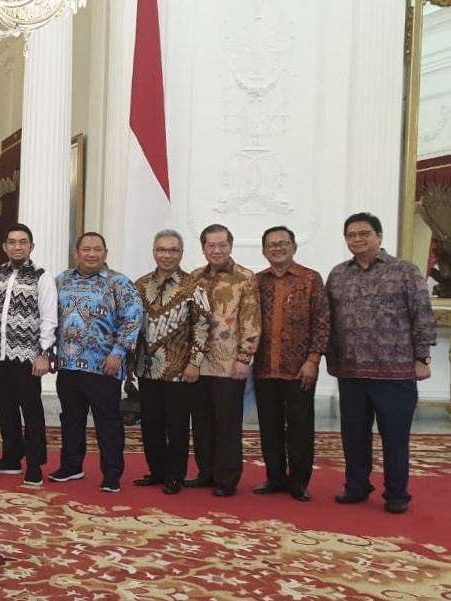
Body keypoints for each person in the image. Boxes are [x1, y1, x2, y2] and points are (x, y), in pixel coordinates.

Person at [326, 212, 435, 514]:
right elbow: (329, 320)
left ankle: (397, 493)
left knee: (395, 438)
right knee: (354, 436)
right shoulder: (337, 274)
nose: (357, 240)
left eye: (364, 233)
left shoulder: (405, 271)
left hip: (396, 372)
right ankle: (357, 486)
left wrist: (422, 358)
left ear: (379, 236)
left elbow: (423, 315)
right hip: (351, 372)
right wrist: (330, 358)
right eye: (351, 235)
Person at [50, 232, 143, 493]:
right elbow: (49, 317)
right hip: (68, 365)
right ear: (76, 252)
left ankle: (112, 474)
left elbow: (133, 319)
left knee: (108, 421)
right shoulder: (61, 281)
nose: (92, 254)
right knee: (71, 418)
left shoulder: (119, 283)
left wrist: (118, 354)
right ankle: (71, 466)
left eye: (97, 249)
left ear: (106, 253)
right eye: (86, 249)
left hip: (104, 366)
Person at [251, 225, 329, 503]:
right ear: (263, 250)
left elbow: (322, 321)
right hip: (264, 367)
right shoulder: (256, 282)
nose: (278, 248)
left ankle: (298, 482)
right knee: (268, 426)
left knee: (299, 426)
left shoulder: (311, 279)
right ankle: (274, 477)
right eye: (271, 244)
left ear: (294, 247)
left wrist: (313, 359)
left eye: (283, 243)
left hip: (300, 369)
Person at [132, 229, 211, 495]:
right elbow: (132, 325)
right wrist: (131, 361)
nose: (167, 255)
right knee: (150, 425)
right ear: (154, 251)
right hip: (146, 368)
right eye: (162, 250)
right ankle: (156, 471)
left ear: (181, 253)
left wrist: (195, 363)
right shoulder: (140, 285)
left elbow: (202, 326)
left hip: (179, 370)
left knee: (177, 426)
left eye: (173, 250)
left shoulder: (194, 286)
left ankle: (175, 475)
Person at [186, 224, 261, 497]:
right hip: (198, 362)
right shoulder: (194, 278)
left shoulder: (245, 278)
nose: (216, 250)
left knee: (227, 423)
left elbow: (251, 321)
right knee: (202, 421)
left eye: (222, 245)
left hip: (230, 363)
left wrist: (244, 358)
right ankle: (206, 472)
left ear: (230, 246)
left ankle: (227, 478)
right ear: (203, 248)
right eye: (210, 245)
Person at [0, 223, 57, 486]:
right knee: (5, 408)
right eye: (12, 242)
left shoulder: (41, 277)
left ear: (31, 246)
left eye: (23, 242)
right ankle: (11, 458)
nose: (17, 246)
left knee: (31, 411)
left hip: (27, 357)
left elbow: (49, 318)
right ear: (4, 247)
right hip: (0, 354)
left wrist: (44, 353)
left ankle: (34, 465)